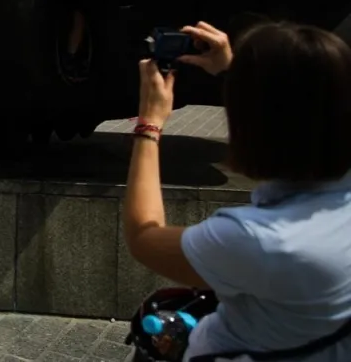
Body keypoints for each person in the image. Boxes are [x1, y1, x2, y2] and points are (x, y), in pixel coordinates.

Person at [123, 20, 351, 361]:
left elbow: (143, 236)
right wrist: (234, 71)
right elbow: (302, 115)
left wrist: (149, 123)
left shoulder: (257, 239)